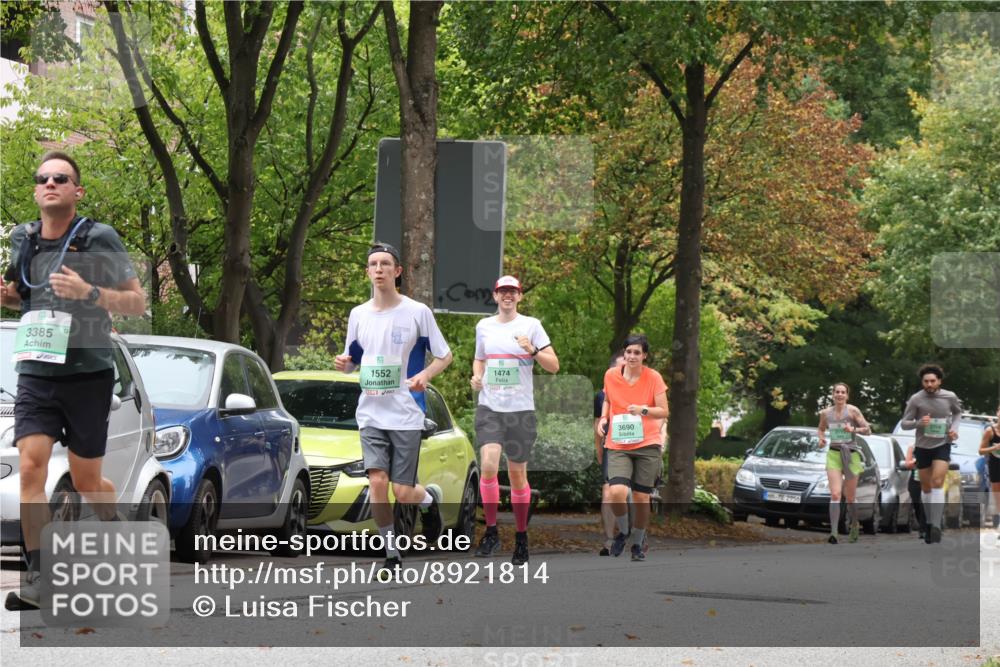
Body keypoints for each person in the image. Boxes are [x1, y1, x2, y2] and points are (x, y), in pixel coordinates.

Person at [2, 151, 146, 610]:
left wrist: (90, 293)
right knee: (31, 467)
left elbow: (137, 303)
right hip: (36, 374)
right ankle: (39, 576)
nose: (50, 183)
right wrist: (5, 297)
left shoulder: (98, 238)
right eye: (42, 178)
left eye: (60, 178)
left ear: (76, 191)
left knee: (88, 481)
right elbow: (18, 300)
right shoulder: (22, 239)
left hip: (87, 374)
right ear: (35, 190)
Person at [334, 242, 452, 578]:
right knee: (377, 483)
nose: (380, 269)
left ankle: (428, 500)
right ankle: (391, 552)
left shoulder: (417, 312)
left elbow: (445, 355)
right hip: (370, 412)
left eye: (386, 263)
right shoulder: (358, 314)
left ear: (397, 272)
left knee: (402, 491)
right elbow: (352, 361)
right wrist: (344, 363)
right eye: (374, 264)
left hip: (405, 412)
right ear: (368, 272)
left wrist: (425, 376)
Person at [471, 276, 558, 565]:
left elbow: (554, 366)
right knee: (488, 465)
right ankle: (492, 531)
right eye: (502, 292)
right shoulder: (483, 326)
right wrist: (477, 375)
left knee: (518, 475)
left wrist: (533, 350)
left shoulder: (531, 325)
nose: (507, 296)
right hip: (490, 407)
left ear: (519, 296)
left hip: (520, 410)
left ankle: (521, 537)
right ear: (495, 296)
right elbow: (479, 358)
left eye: (513, 292)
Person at [597, 333, 668, 562]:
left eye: (637, 352)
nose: (632, 356)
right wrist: (603, 418)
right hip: (618, 442)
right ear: (624, 354)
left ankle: (637, 542)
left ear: (644, 356)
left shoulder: (654, 377)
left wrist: (643, 410)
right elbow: (607, 400)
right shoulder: (610, 375)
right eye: (628, 352)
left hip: (647, 443)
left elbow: (664, 411)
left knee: (640, 497)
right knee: (616, 491)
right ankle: (624, 531)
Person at [899, 364, 963, 544]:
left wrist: (954, 429)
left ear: (939, 381)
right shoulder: (916, 399)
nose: (929, 384)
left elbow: (958, 413)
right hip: (923, 447)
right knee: (926, 488)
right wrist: (919, 422)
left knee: (937, 482)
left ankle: (936, 526)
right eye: (926, 381)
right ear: (922, 382)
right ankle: (927, 523)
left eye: (932, 381)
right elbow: (905, 423)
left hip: (942, 444)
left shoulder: (949, 396)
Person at [817, 383, 871, 544]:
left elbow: (868, 430)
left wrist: (853, 430)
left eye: (843, 392)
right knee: (835, 494)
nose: (840, 395)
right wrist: (821, 438)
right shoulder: (826, 413)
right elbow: (820, 428)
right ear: (833, 395)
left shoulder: (853, 411)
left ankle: (854, 524)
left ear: (847, 396)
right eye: (837, 392)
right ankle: (833, 532)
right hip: (833, 454)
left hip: (851, 455)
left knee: (850, 497)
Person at [594, 350, 625, 556]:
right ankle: (609, 539)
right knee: (608, 492)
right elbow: (597, 425)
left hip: (639, 449)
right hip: (612, 448)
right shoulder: (602, 395)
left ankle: (634, 534)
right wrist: (599, 450)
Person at [978, 404, 1000, 529]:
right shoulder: (990, 431)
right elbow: (980, 451)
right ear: (997, 413)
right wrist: (994, 448)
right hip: (995, 464)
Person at [904, 444, 928, 540]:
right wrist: (915, 461)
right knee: (917, 504)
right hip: (915, 480)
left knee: (924, 503)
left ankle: (924, 529)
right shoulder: (912, 447)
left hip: (928, 479)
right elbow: (907, 464)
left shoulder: (934, 446)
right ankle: (923, 526)